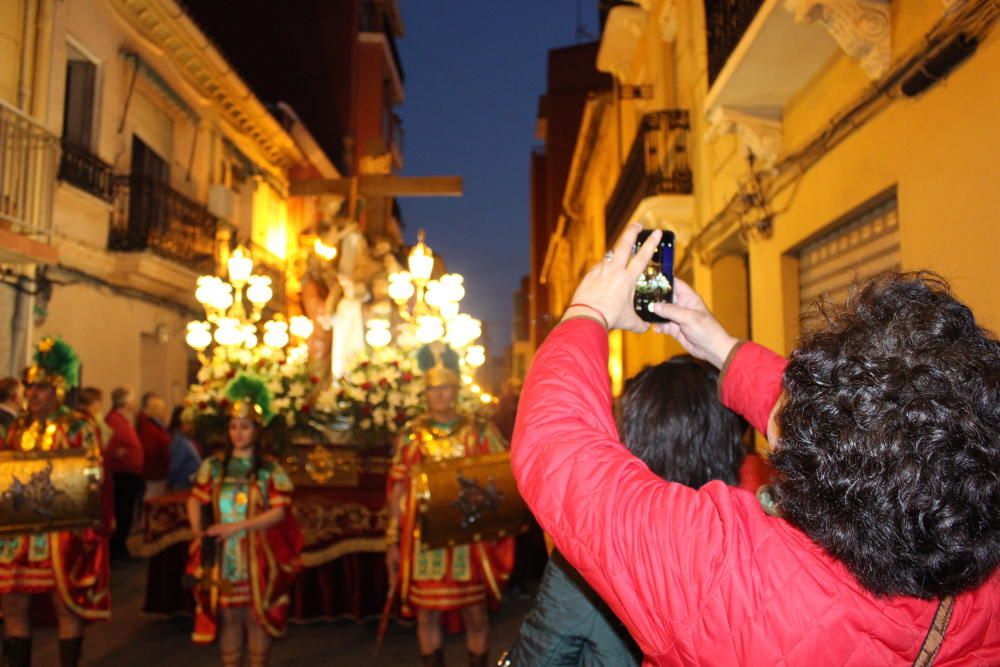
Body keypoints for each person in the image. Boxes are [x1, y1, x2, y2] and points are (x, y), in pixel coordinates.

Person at [511, 224, 1000, 665]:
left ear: (828, 468)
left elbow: (558, 451)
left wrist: (587, 310)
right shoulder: (977, 560)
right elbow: (853, 424)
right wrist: (721, 348)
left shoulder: (736, 585)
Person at [506, 356, 749, 666]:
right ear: (727, 443)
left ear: (632, 434)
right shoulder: (759, 540)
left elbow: (538, 657)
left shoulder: (595, 544)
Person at [386, 343, 514, 667]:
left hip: (468, 542)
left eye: (444, 387)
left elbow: (502, 477)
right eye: (432, 389)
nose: (439, 394)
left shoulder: (479, 431)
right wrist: (392, 538)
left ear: (455, 389)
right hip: (424, 540)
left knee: (475, 611)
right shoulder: (412, 435)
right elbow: (398, 489)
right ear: (425, 393)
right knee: (426, 613)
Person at [0, 338, 111, 667]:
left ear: (58, 390)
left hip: (60, 531)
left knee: (66, 605)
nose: (32, 395)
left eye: (41, 388)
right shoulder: (17, 429)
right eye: (29, 387)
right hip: (18, 533)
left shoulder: (78, 426)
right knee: (13, 606)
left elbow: (94, 474)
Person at [186, 374, 302, 667]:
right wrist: (199, 532)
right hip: (223, 556)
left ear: (256, 431)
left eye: (245, 427)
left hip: (255, 554)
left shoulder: (268, 469)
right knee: (228, 615)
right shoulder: (212, 467)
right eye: (234, 426)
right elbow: (195, 500)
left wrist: (236, 527)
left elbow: (278, 512)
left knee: (255, 615)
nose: (238, 433)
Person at [105, 387, 145, 560]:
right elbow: (110, 444)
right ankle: (117, 550)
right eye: (132, 399)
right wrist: (118, 453)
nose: (134, 403)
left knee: (126, 513)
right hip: (122, 474)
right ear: (125, 402)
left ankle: (121, 548)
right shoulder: (114, 419)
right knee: (122, 513)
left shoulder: (123, 419)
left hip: (130, 473)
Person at [137, 392, 170, 499]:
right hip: (153, 477)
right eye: (163, 409)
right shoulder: (151, 430)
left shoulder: (156, 427)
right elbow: (151, 454)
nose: (165, 412)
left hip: (157, 475)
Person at [167, 405, 202, 491]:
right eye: (189, 423)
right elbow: (174, 467)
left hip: (189, 485)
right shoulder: (180, 441)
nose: (192, 427)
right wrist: (169, 484)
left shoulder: (186, 440)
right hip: (182, 487)